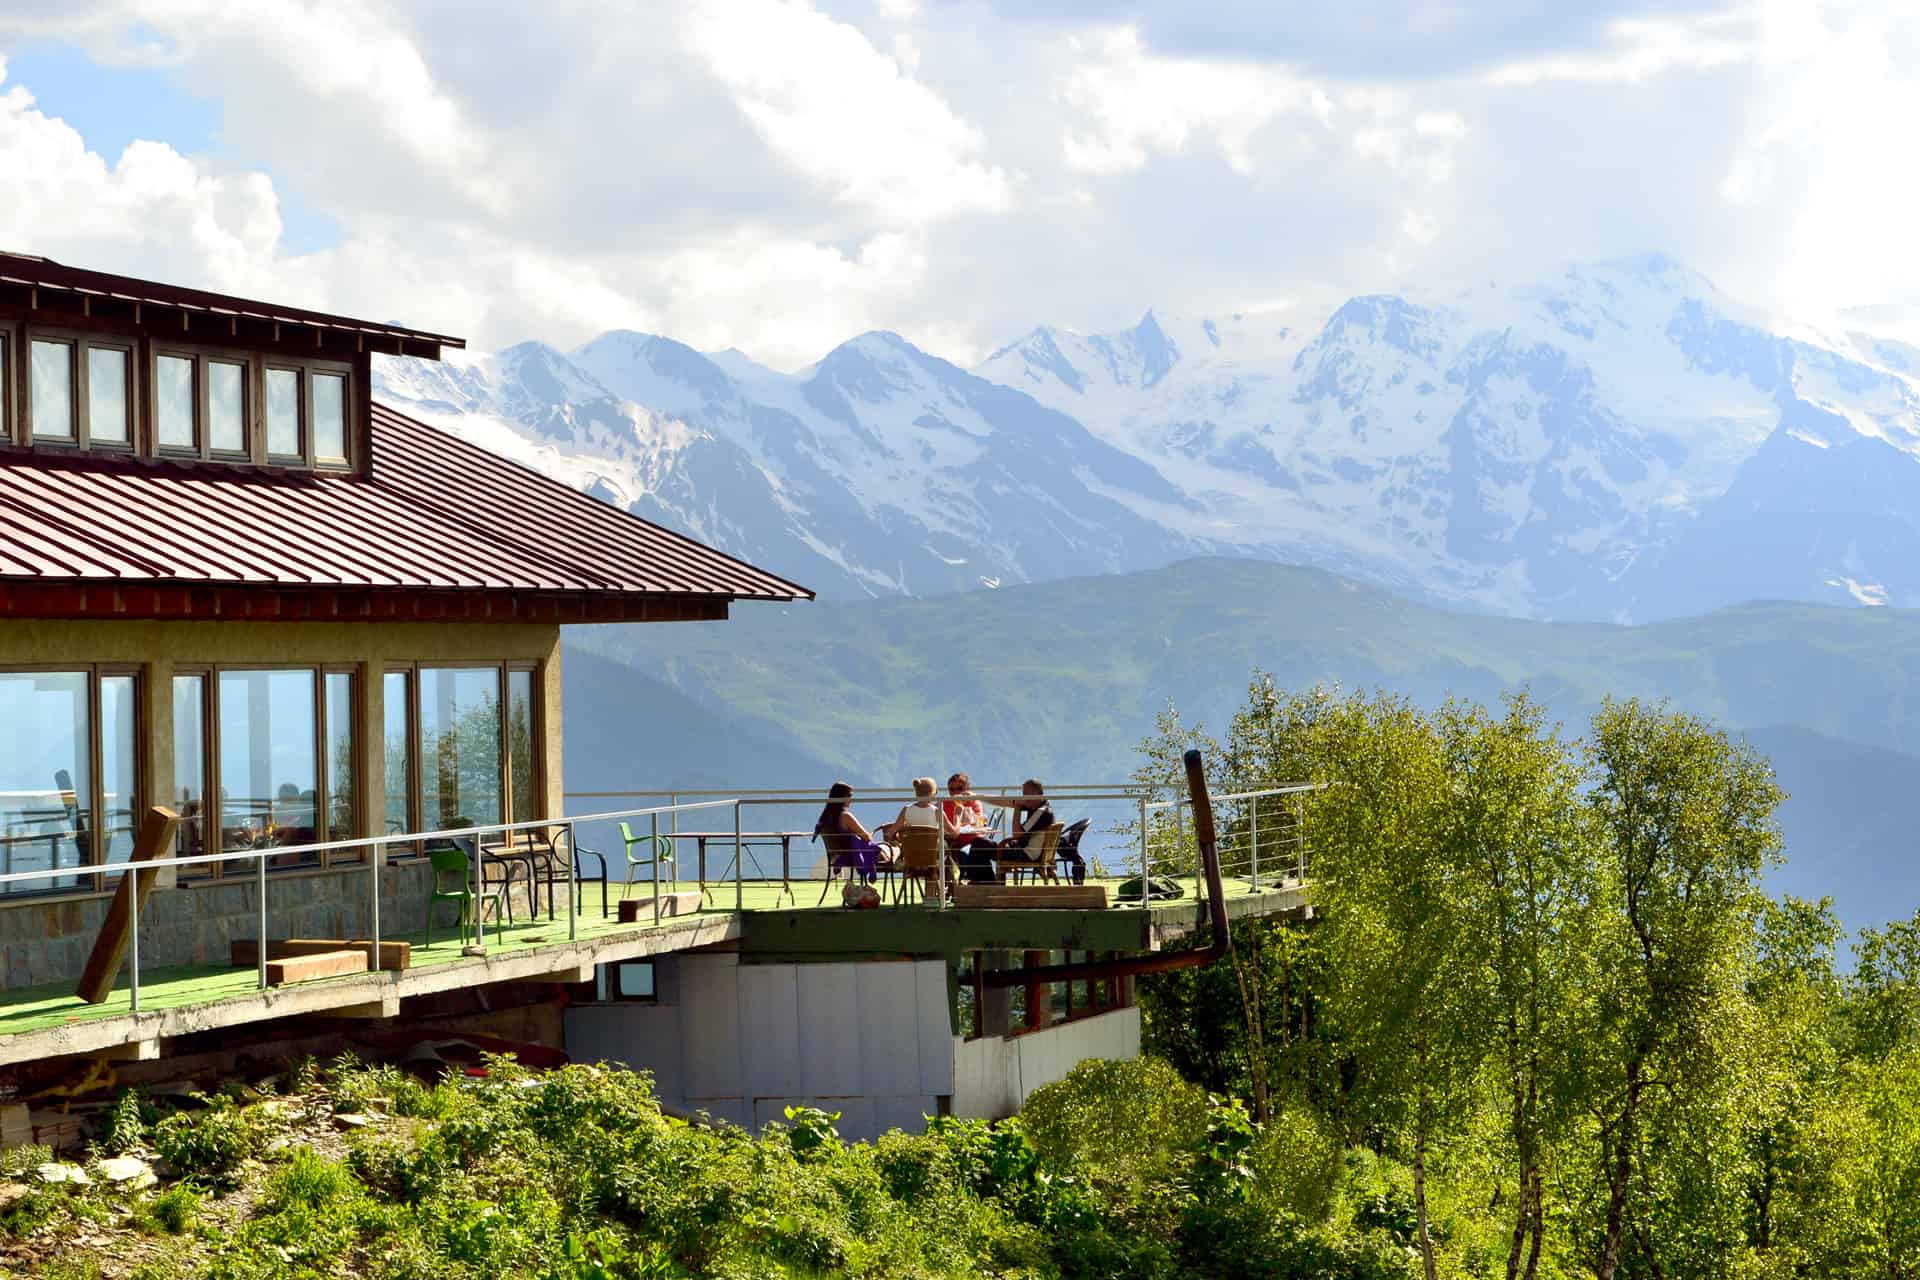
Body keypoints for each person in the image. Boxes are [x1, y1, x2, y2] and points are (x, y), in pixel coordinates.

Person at [972, 779, 1057, 878]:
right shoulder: (1040, 805)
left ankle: (987, 882)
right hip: (1024, 849)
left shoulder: (1041, 812)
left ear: (1036, 793)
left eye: (1025, 794)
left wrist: (1017, 808)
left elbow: (1016, 835)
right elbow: (1004, 802)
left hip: (1026, 855)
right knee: (981, 843)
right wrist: (976, 796)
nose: (1024, 797)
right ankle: (988, 881)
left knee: (978, 844)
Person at [812, 782, 884, 883]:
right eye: (849, 795)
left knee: (876, 848)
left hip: (836, 856)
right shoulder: (845, 816)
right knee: (886, 850)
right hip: (853, 856)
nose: (851, 799)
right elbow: (866, 837)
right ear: (841, 797)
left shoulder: (824, 818)